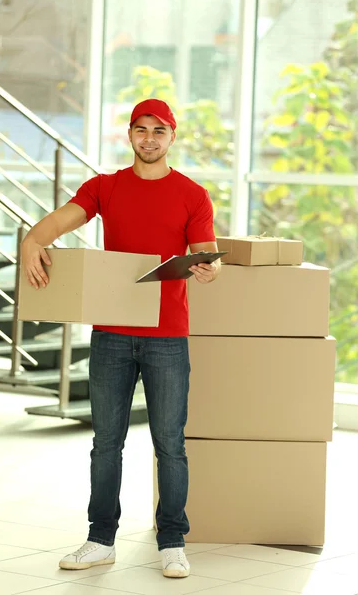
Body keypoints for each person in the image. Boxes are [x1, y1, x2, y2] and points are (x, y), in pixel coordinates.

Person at [22, 98, 221, 579]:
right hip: (111, 334)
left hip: (167, 336)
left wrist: (207, 271)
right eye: (140, 129)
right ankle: (100, 539)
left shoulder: (193, 195)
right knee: (105, 443)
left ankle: (172, 541)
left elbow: (207, 255)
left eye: (158, 130)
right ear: (130, 135)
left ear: (172, 137)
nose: (149, 138)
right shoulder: (105, 188)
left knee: (169, 444)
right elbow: (56, 222)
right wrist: (31, 240)